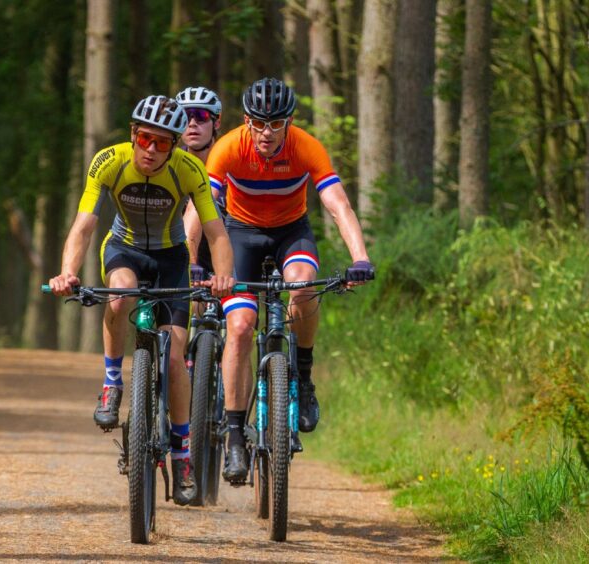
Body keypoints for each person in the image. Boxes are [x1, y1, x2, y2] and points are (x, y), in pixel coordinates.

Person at [48, 95, 235, 506]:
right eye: (145, 139)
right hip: (124, 249)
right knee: (118, 297)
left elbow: (215, 231)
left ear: (173, 146)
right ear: (134, 135)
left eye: (162, 143)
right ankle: (112, 383)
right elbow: (84, 226)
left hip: (171, 258)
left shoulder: (188, 171)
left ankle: (183, 453)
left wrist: (223, 276)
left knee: (173, 359)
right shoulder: (109, 161)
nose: (151, 151)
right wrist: (67, 272)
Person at [206, 78, 375, 483]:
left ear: (289, 122)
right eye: (258, 123)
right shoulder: (228, 147)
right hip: (240, 235)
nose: (266, 133)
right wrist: (195, 264)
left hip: (290, 232)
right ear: (246, 121)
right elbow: (201, 212)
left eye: (276, 124)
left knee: (302, 287)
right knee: (242, 327)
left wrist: (360, 257)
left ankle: (304, 371)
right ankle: (233, 436)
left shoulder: (305, 147)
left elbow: (338, 204)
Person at [176, 86, 224, 283]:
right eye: (186, 116)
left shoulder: (232, 163)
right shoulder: (167, 164)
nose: (193, 123)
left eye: (201, 115)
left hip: (231, 262)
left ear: (217, 122)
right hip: (182, 262)